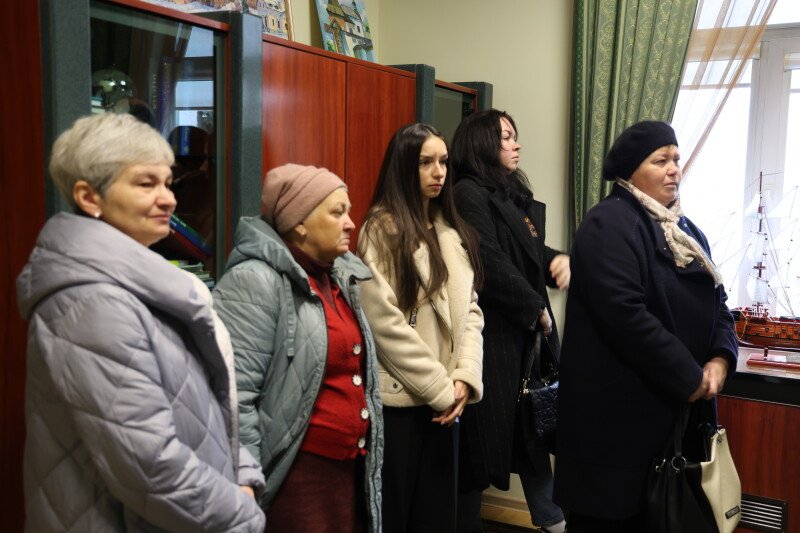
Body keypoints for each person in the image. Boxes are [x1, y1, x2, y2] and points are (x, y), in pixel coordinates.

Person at [17, 113, 266, 532]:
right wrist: (242, 515)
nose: (169, 199)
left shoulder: (144, 284)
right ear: (89, 197)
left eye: (168, 182)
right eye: (146, 184)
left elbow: (202, 406)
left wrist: (242, 473)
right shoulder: (92, 302)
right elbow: (148, 465)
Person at [554, 121, 738, 532]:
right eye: (661, 160)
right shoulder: (608, 223)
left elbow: (720, 304)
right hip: (617, 429)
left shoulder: (687, 231)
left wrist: (720, 358)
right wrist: (690, 376)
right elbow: (626, 317)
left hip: (677, 422)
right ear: (631, 169)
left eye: (676, 159)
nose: (674, 169)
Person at [212, 164, 383, 532]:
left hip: (347, 471)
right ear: (299, 222)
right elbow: (235, 395)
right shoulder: (254, 280)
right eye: (337, 212)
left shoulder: (337, 277)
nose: (351, 223)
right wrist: (247, 479)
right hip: (295, 480)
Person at [357, 123, 485, 532]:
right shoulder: (381, 230)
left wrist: (464, 377)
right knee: (397, 518)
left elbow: (471, 312)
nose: (438, 172)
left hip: (447, 401)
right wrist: (441, 389)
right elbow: (384, 324)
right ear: (403, 167)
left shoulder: (450, 230)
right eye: (426, 162)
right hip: (404, 403)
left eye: (443, 161)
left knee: (437, 518)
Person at [451, 109, 569, 533]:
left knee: (531, 429)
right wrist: (535, 307)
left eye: (514, 135)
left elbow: (528, 253)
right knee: (482, 445)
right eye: (505, 137)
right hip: (493, 337)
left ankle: (552, 519)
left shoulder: (511, 195)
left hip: (523, 337)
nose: (515, 144)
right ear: (482, 143)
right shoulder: (468, 193)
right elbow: (489, 260)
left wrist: (557, 260)